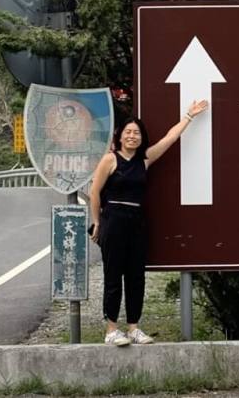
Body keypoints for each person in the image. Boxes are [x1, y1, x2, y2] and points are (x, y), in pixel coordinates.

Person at [90, 100, 209, 346]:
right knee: (113, 276)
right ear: (120, 136)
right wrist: (97, 223)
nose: (132, 136)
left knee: (136, 277)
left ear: (141, 138)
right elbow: (94, 193)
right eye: (128, 132)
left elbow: (169, 138)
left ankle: (133, 327)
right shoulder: (110, 160)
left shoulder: (143, 160)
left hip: (137, 223)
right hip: (113, 220)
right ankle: (111, 329)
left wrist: (189, 115)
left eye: (136, 133)